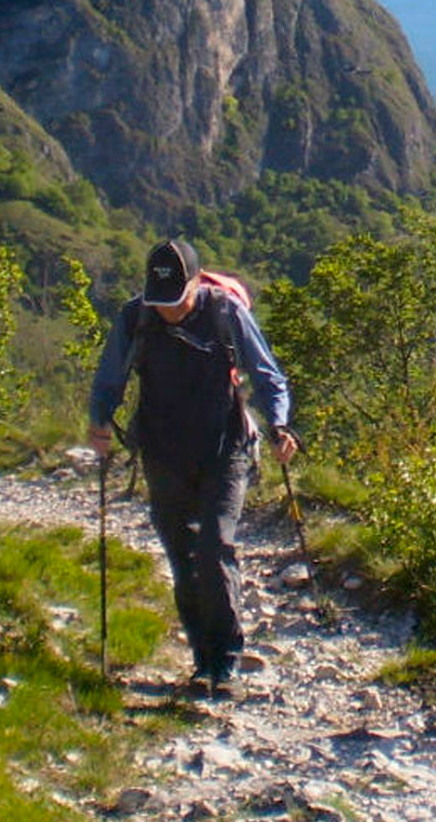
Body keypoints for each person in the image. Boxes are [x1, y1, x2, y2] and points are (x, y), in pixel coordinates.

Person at [89, 239, 297, 695]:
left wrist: (280, 425)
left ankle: (225, 660)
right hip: (163, 451)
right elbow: (111, 376)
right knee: (181, 554)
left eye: (175, 300)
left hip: (226, 448)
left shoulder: (224, 312)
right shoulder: (136, 316)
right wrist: (100, 421)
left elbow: (266, 374)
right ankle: (202, 658)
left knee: (214, 546)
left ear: (196, 284)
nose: (167, 310)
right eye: (159, 301)